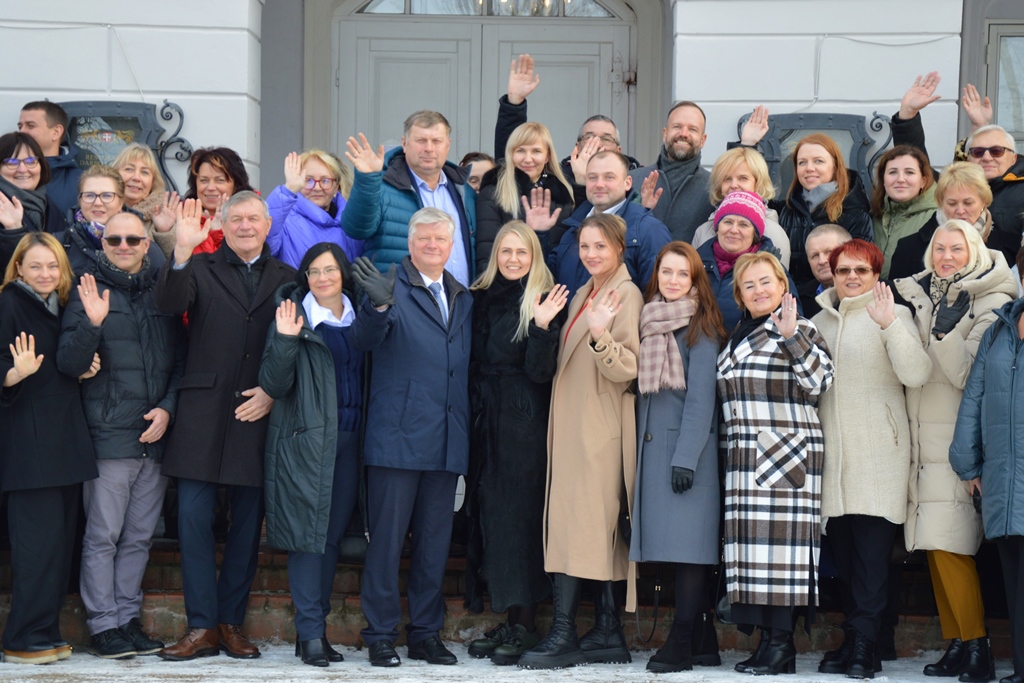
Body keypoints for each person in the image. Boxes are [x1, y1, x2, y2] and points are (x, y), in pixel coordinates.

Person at [154, 191, 295, 661]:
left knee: (246, 525)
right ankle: (201, 628)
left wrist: (274, 392)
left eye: (254, 218)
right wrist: (180, 249)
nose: (246, 226)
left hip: (257, 413)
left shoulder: (288, 279)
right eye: (237, 219)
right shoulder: (198, 265)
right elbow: (171, 305)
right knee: (192, 521)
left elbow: (300, 348)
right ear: (223, 223)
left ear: (268, 225)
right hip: (201, 411)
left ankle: (230, 623)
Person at [56, 212, 185, 659]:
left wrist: (169, 409)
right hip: (109, 435)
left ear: (148, 242)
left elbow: (182, 362)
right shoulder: (86, 289)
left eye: (133, 238)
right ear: (103, 242)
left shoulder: (162, 293)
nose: (124, 245)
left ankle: (127, 619)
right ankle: (103, 625)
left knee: (138, 537)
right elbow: (69, 363)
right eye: (115, 239)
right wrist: (92, 322)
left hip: (155, 438)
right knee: (103, 535)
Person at [348, 207, 473, 668]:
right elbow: (362, 340)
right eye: (425, 241)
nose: (434, 247)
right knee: (386, 543)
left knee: (434, 545)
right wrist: (379, 306)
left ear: (451, 245)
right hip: (396, 440)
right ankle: (380, 633)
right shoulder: (388, 285)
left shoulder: (461, 295)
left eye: (442, 240)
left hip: (445, 441)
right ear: (411, 243)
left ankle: (424, 633)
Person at [518, 213, 642, 670]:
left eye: (600, 247)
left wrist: (600, 336)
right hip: (575, 429)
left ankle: (565, 632)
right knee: (591, 531)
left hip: (598, 431)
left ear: (619, 249)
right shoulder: (587, 291)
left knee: (580, 528)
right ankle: (607, 631)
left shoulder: (625, 294)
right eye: (585, 246)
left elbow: (629, 368)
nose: (590, 254)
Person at [893, 219, 1017, 682]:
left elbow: (970, 375)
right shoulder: (928, 291)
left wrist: (943, 335)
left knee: (952, 545)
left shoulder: (991, 299)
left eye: (957, 249)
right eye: (939, 248)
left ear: (977, 251)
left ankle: (978, 644)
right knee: (933, 544)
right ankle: (958, 642)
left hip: (959, 438)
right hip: (923, 434)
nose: (946, 256)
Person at [812, 239, 931, 678]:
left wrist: (888, 327)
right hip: (834, 464)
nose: (852, 278)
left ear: (875, 274)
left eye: (862, 270)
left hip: (880, 457)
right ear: (833, 273)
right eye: (844, 270)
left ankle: (864, 645)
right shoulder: (817, 322)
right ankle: (860, 642)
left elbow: (917, 374)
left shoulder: (895, 315)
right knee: (844, 561)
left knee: (873, 562)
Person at [717, 251, 834, 676]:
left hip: (785, 459)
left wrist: (792, 337)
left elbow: (819, 381)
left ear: (784, 286)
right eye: (749, 285)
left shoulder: (799, 327)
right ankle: (769, 644)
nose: (759, 290)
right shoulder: (739, 333)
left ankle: (782, 647)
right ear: (740, 296)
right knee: (756, 557)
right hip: (746, 459)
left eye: (766, 282)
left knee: (781, 557)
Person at [463, 222, 568, 665]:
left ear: (533, 256)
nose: (512, 259)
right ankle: (509, 614)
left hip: (523, 422)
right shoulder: (480, 297)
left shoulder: (544, 298)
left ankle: (526, 622)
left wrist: (543, 327)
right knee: (495, 521)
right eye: (505, 251)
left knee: (521, 520)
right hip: (486, 420)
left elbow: (542, 373)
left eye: (521, 252)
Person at [259, 243, 362, 668]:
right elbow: (273, 383)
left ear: (343, 274)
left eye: (330, 270)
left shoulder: (360, 316)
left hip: (353, 440)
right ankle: (311, 632)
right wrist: (284, 341)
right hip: (308, 441)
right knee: (308, 538)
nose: (322, 278)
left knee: (332, 538)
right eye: (314, 272)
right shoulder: (293, 317)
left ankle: (312, 633)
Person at [0, 232, 97, 664]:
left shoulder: (61, 306)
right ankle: (22, 635)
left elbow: (64, 362)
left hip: (64, 441)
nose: (44, 273)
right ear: (18, 266)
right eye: (35, 265)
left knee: (58, 546)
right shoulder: (7, 303)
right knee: (35, 547)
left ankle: (45, 630)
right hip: (28, 444)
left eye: (52, 266)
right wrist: (13, 374)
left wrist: (84, 367)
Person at [630, 241, 726, 673]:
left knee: (691, 552)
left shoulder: (700, 326)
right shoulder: (648, 320)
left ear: (694, 281)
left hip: (686, 455)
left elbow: (701, 399)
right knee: (678, 550)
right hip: (654, 453)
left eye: (681, 275)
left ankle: (683, 640)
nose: (672, 281)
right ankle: (705, 641)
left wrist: (686, 457)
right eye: (666, 273)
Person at [950, 247, 1024, 683]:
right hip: (1002, 476)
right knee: (1014, 580)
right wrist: (966, 461)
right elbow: (974, 397)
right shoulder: (1000, 328)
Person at [889, 72, 1024, 267]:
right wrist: (908, 116)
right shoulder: (950, 185)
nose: (987, 157)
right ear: (968, 157)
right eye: (977, 152)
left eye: (996, 151)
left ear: (1013, 157)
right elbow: (917, 166)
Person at [343, 111, 475, 287]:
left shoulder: (464, 191)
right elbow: (356, 229)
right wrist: (367, 180)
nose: (429, 148)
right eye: (421, 140)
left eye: (436, 141)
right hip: (400, 306)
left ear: (447, 145)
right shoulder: (381, 186)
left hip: (461, 306)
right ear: (404, 144)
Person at [495, 54, 641, 206]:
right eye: (589, 137)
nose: (596, 143)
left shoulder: (637, 177)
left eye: (606, 138)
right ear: (577, 147)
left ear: (618, 150)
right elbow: (509, 161)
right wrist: (513, 105)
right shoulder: (556, 179)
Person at [546, 151, 670, 299]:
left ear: (627, 182)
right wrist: (540, 234)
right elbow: (547, 280)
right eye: (592, 177)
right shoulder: (572, 229)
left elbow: (658, 298)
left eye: (609, 177)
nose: (599, 184)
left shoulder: (648, 231)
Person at [474, 122, 575, 269]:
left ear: (547, 156)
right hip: (509, 287)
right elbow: (486, 255)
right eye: (520, 151)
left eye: (536, 151)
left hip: (552, 287)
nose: (528, 159)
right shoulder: (494, 192)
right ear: (511, 154)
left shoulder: (563, 193)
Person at [697, 190, 798, 332]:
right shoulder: (695, 262)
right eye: (727, 222)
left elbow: (792, 321)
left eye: (743, 225)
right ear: (717, 227)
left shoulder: (772, 269)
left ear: (755, 233)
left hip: (747, 349)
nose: (734, 230)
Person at [888, 162, 995, 282]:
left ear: (983, 201)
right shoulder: (908, 248)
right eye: (952, 203)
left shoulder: (1007, 243)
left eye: (968, 203)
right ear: (941, 203)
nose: (960, 211)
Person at [56, 165, 166, 277]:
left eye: (107, 196)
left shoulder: (143, 246)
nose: (98, 203)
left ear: (120, 202)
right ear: (80, 200)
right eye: (89, 195)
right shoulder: (60, 245)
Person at [691, 146, 792, 268]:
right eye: (727, 179)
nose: (733, 185)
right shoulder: (703, 231)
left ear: (758, 184)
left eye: (743, 178)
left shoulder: (773, 232)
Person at [630, 101, 714, 244]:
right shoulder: (633, 180)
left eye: (692, 129)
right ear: (665, 134)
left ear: (703, 140)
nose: (684, 134)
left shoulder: (714, 187)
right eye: (677, 127)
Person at [153, 147, 256, 258]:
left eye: (220, 180)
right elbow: (174, 268)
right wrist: (165, 232)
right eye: (204, 180)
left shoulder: (252, 219)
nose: (210, 187)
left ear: (236, 185)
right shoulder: (181, 218)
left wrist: (218, 234)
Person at [265, 150, 361, 269]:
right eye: (308, 180)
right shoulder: (285, 220)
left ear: (336, 187)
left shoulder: (350, 222)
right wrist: (288, 190)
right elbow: (266, 243)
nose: (317, 187)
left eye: (325, 181)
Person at [870, 145, 938, 279]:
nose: (900, 179)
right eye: (893, 172)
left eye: (909, 172)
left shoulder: (937, 218)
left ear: (923, 181)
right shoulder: (872, 216)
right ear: (883, 180)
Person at [18, 101, 82, 219]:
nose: (21, 132)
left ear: (56, 132)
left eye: (30, 126)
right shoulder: (8, 173)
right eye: (20, 126)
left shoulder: (81, 181)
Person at [111, 143, 179, 243]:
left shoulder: (165, 213)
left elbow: (176, 257)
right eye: (129, 169)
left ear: (153, 182)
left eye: (144, 172)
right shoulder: (102, 209)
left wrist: (164, 232)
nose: (136, 178)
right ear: (115, 175)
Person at [0, 131, 63, 235]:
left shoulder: (50, 207)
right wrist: (14, 231)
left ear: (41, 165)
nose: (23, 169)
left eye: (30, 161)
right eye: (12, 162)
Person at [799, 224, 851, 318]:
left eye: (829, 252)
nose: (822, 261)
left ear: (849, 252)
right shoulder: (800, 300)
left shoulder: (880, 292)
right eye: (815, 255)